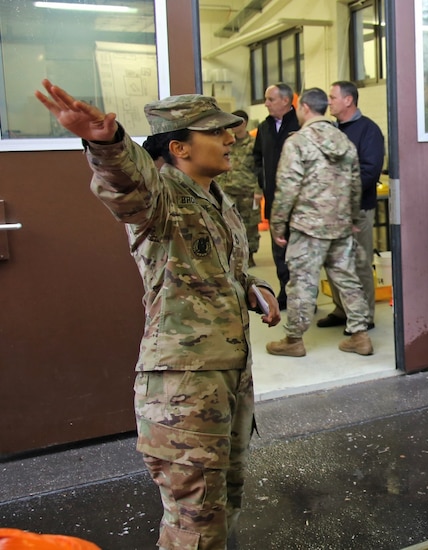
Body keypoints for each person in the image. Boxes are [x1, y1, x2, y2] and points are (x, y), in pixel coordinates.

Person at [34, 80, 281, 549]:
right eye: (217, 133)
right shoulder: (161, 199)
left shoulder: (215, 198)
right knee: (194, 525)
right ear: (178, 148)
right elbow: (128, 183)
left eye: (230, 130)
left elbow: (224, 267)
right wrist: (105, 144)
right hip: (184, 388)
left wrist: (255, 287)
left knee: (223, 505)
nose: (232, 138)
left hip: (226, 379)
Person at [265, 87, 374, 358]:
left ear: (303, 107)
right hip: (340, 225)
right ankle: (359, 336)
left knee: (302, 282)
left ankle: (293, 340)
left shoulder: (298, 142)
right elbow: (354, 185)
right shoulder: (345, 141)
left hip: (308, 226)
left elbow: (287, 188)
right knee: (348, 279)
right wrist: (351, 219)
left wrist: (278, 226)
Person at [316, 81, 385, 333]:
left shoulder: (369, 131)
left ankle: (364, 315)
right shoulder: (331, 130)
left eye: (333, 97)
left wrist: (338, 191)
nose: (329, 102)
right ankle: (341, 308)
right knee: (333, 262)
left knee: (359, 263)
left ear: (348, 100)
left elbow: (369, 171)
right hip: (330, 212)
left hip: (357, 211)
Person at [253, 83, 301, 309]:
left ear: (285, 100)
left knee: (299, 250)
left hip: (299, 203)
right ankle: (285, 290)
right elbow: (257, 157)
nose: (266, 103)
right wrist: (263, 182)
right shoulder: (264, 127)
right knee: (279, 249)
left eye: (270, 99)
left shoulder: (300, 124)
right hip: (274, 201)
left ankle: (302, 296)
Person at [215, 109, 261, 266]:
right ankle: (233, 254)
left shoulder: (254, 145)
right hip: (229, 191)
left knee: (250, 226)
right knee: (230, 224)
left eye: (236, 123)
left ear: (245, 123)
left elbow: (260, 169)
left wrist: (258, 190)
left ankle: (250, 255)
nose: (232, 127)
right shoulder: (228, 144)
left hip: (248, 192)